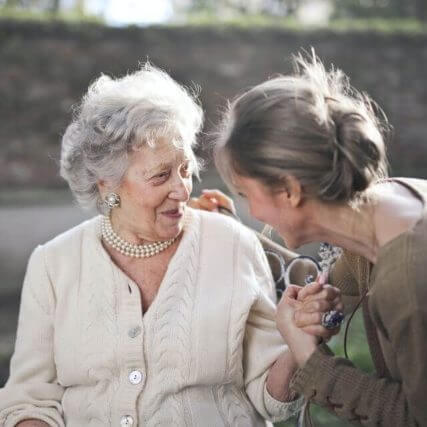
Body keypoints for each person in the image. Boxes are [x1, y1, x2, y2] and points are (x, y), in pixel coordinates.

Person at [0, 64, 327, 427]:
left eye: (185, 169)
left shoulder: (232, 245)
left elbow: (271, 399)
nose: (182, 190)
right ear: (107, 185)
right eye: (160, 176)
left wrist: (298, 343)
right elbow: (28, 401)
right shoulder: (53, 264)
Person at [212, 51, 427, 426]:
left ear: (290, 190)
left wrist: (312, 362)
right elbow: (330, 284)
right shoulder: (391, 204)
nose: (254, 213)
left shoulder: (408, 276)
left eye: (246, 195)